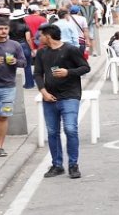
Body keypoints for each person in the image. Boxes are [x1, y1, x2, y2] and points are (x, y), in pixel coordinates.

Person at [34, 23, 91, 179]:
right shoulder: (41, 53)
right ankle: (57, 165)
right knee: (52, 132)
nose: (38, 38)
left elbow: (85, 67)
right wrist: (43, 92)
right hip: (49, 96)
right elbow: (37, 74)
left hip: (70, 95)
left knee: (71, 129)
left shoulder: (70, 49)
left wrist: (68, 72)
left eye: (40, 35)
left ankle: (73, 165)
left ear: (48, 36)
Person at [0, 17, 27, 157]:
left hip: (8, 87)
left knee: (3, 117)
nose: (3, 31)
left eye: (5, 28)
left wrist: (15, 61)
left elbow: (24, 63)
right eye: (0, 29)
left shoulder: (14, 45)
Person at [8, 10, 34, 89]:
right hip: (24, 46)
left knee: (11, 65)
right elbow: (28, 39)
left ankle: (10, 84)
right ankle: (29, 84)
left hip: (12, 46)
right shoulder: (25, 25)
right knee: (27, 66)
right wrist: (32, 49)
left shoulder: (9, 25)